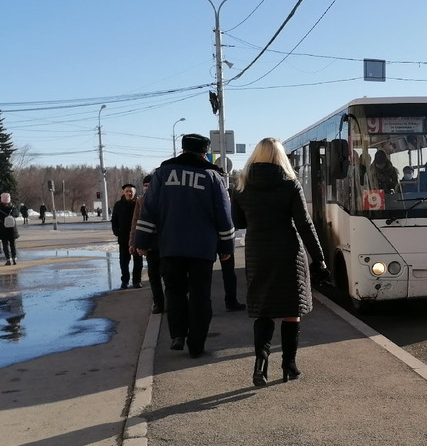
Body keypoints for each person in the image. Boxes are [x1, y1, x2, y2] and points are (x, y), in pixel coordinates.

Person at [230, 137, 329, 386]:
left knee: (263, 312)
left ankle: (260, 366)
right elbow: (305, 224)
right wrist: (320, 259)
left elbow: (239, 223)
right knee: (291, 311)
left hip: (257, 254)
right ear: (280, 156)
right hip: (287, 253)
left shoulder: (241, 186)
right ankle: (289, 365)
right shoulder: (289, 184)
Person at [134, 134, 235, 359]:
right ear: (204, 153)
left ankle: (178, 334)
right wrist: (226, 245)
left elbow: (148, 210)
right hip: (203, 249)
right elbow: (223, 214)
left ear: (182, 149)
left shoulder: (162, 174)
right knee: (201, 296)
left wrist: (141, 242)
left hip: (170, 246)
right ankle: (196, 344)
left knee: (174, 291)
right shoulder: (212, 176)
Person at [129, 175, 164, 314]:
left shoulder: (164, 199)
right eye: (145, 185)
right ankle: (158, 303)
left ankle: (172, 301)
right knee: (153, 275)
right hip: (150, 244)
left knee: (168, 274)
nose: (147, 188)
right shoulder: (140, 201)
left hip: (165, 243)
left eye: (150, 185)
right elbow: (135, 223)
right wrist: (133, 242)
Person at [112, 184, 143, 290]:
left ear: (134, 192)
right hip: (123, 237)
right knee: (124, 261)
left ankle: (136, 281)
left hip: (136, 236)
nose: (129, 193)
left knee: (138, 260)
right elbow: (114, 220)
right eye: (127, 191)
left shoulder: (138, 204)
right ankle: (125, 281)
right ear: (123, 192)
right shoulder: (118, 205)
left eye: (131, 191)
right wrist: (117, 232)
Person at [0, 193, 20, 265]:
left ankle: (8, 259)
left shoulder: (0, 208)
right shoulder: (13, 207)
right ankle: (14, 259)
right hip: (12, 229)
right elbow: (17, 214)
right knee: (13, 244)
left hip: (3, 229)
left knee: (5, 244)